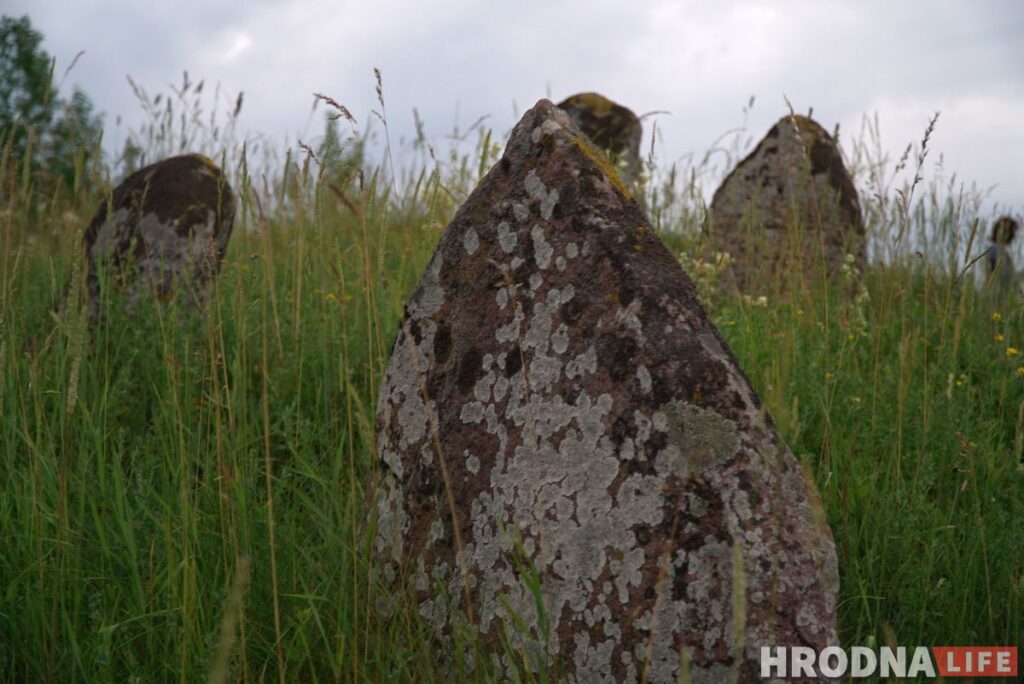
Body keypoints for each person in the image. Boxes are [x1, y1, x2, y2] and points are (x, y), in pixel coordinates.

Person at [986, 215, 1020, 302]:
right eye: (1013, 232)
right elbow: (1006, 279)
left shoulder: (995, 250)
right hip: (998, 300)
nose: (1014, 236)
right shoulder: (997, 251)